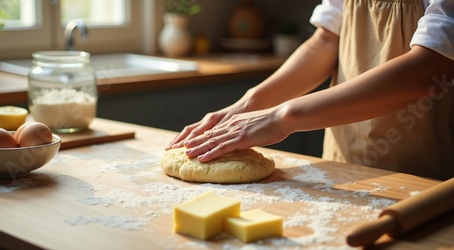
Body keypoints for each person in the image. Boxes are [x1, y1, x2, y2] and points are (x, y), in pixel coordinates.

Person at [167, 0, 454, 180]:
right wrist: (247, 105)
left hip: (428, 173)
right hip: (345, 166)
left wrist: (280, 118)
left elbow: (430, 67)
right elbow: (327, 40)